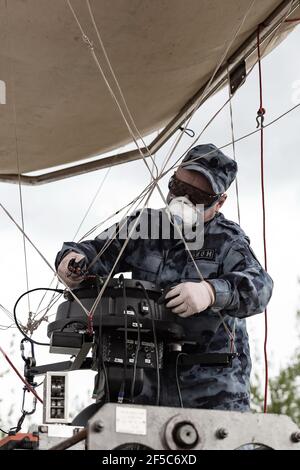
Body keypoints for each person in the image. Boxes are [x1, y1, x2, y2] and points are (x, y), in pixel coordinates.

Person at [55, 143, 273, 412]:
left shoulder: (227, 240)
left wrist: (211, 293)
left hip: (210, 394)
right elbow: (94, 252)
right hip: (142, 389)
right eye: (178, 188)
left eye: (196, 195)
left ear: (219, 202)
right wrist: (71, 262)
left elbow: (260, 288)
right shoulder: (145, 226)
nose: (182, 200)